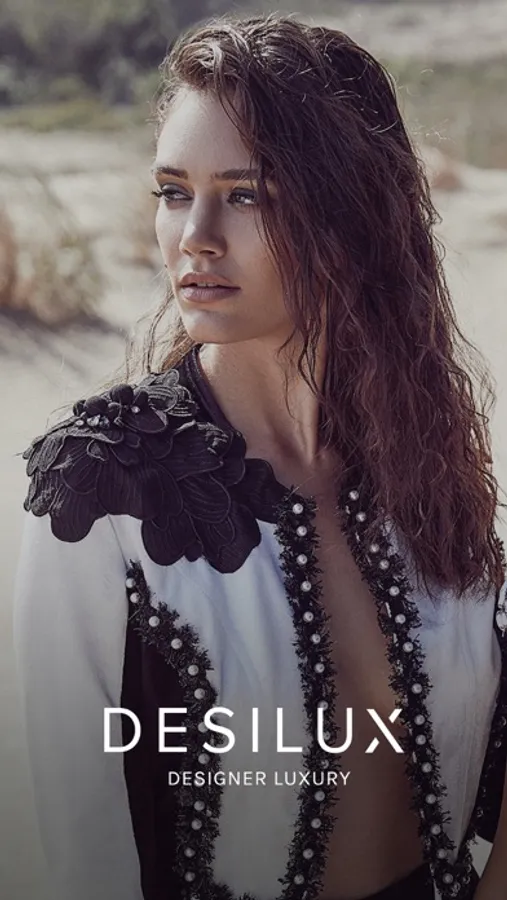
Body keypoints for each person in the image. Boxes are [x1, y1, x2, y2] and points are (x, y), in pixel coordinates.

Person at [13, 12, 507, 900]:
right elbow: (71, 853)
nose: (195, 235)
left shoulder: (426, 455)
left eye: (247, 195)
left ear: (351, 213)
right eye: (173, 192)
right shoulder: (97, 486)